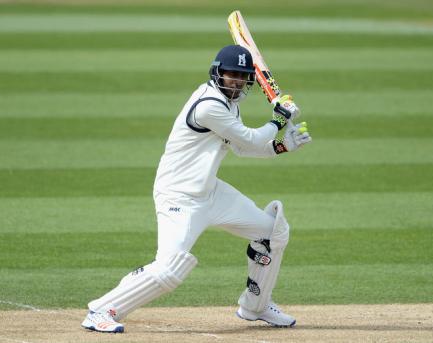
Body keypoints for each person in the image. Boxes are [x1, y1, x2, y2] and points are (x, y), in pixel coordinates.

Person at [81, 45, 311, 333]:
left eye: (242, 77)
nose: (237, 82)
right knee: (170, 269)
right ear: (218, 73)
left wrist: (281, 146)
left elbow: (241, 147)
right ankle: (101, 309)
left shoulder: (230, 104)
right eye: (231, 75)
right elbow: (251, 139)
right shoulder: (208, 106)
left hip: (209, 193)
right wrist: (278, 117)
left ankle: (256, 305)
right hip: (179, 197)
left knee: (272, 232)